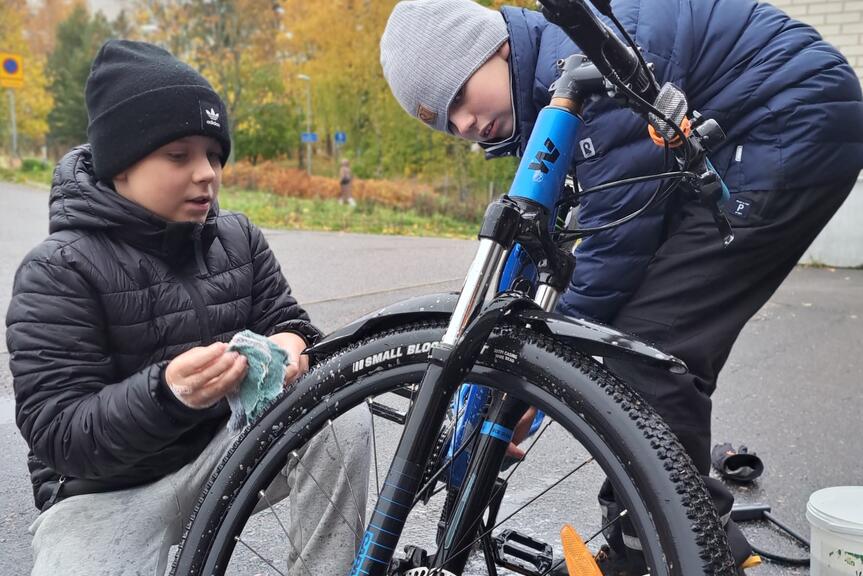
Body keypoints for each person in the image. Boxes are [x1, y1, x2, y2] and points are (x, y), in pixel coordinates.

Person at [380, 0, 863, 572]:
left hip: (787, 119)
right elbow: (549, 243)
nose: (461, 126)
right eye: (443, 124)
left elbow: (617, 243)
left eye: (458, 98)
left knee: (648, 349)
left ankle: (661, 550)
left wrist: (537, 363)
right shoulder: (549, 86)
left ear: (494, 49)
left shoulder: (580, 62)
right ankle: (684, 535)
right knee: (648, 341)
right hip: (761, 118)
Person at [5, 39, 369, 576]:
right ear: (120, 164)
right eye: (179, 155)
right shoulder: (59, 269)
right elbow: (59, 433)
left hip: (225, 455)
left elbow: (288, 321)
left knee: (339, 420)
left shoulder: (238, 237)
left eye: (214, 154)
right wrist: (168, 394)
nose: (207, 173)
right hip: (104, 492)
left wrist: (294, 343)